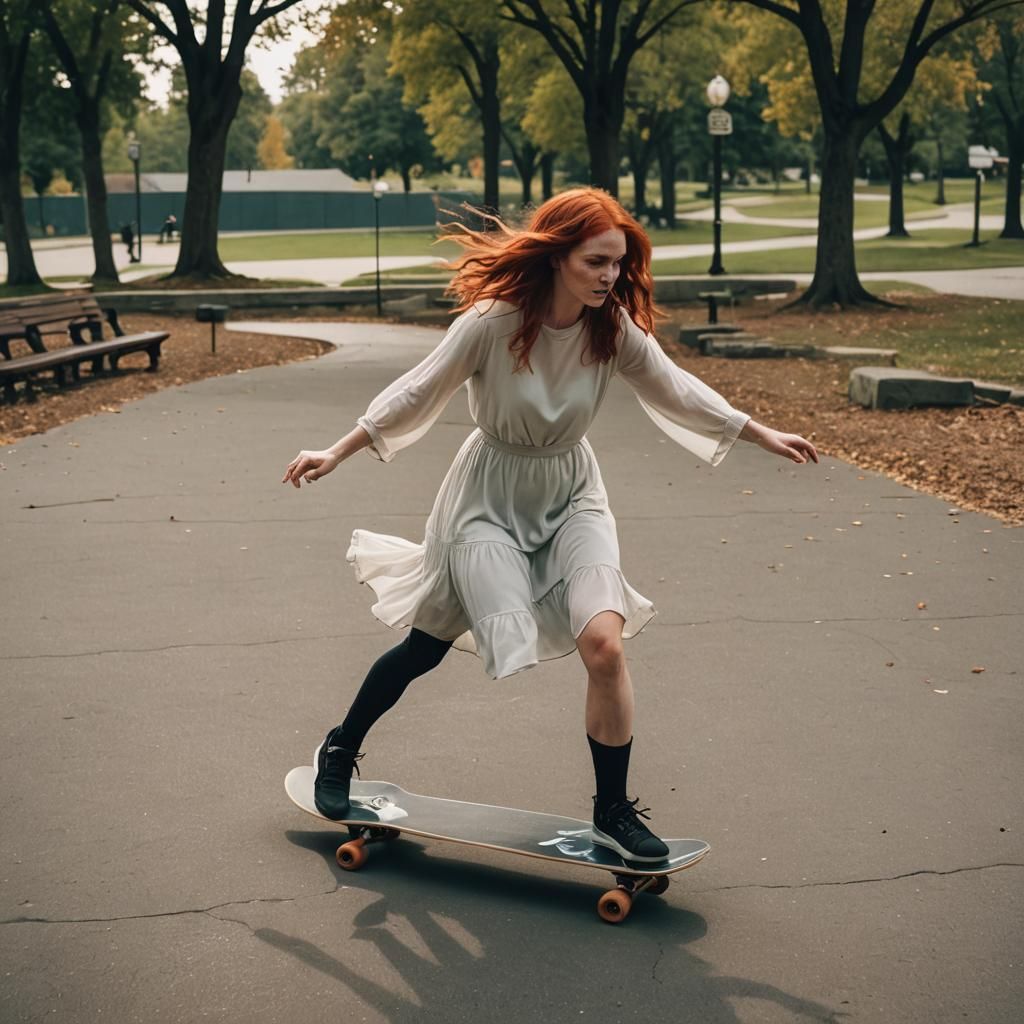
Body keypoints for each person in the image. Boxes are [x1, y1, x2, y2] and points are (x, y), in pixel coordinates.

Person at [282, 188, 817, 862]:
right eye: (596, 262)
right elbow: (418, 388)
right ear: (559, 255)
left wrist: (756, 432)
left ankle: (613, 812)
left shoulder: (611, 328)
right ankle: (341, 746)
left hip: (572, 492)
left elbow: (677, 386)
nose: (609, 277)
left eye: (618, 264)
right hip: (487, 497)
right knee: (425, 647)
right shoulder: (493, 322)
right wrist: (337, 448)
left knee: (606, 645)